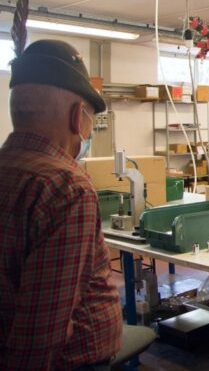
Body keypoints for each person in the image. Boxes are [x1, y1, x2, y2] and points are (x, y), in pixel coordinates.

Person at [0, 40, 122, 370]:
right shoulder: (67, 187)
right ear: (77, 117)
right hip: (73, 361)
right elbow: (43, 327)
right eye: (90, 119)